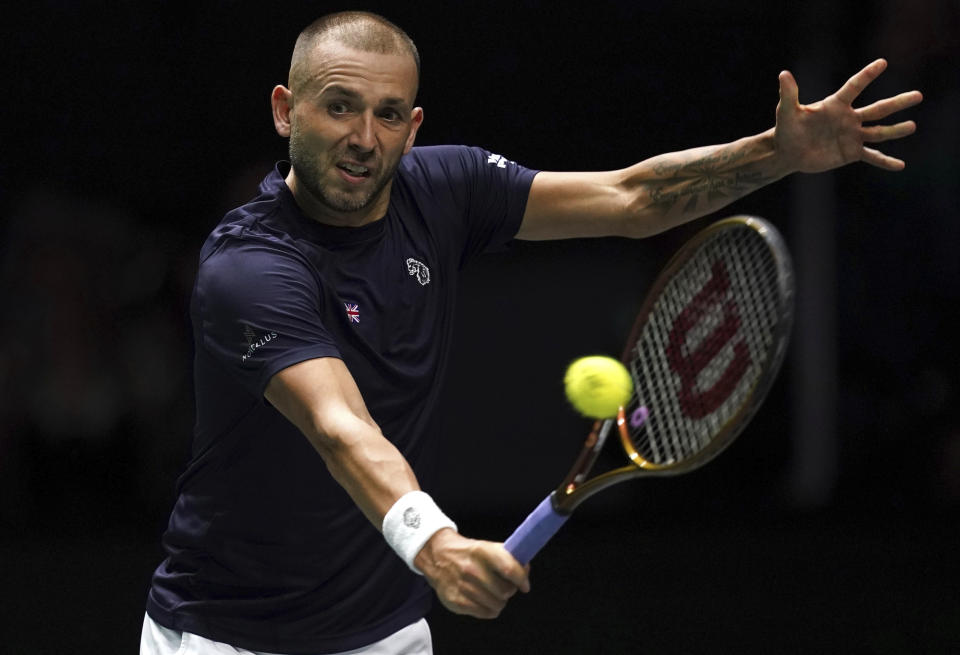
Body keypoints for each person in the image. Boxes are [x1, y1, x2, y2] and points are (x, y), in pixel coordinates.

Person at [141, 10, 922, 655]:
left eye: (387, 115)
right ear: (286, 109)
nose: (363, 138)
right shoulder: (249, 267)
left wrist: (777, 153)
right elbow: (342, 427)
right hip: (226, 636)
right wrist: (437, 545)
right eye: (339, 106)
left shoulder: (443, 189)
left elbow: (630, 198)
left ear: (413, 127)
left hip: (382, 631)